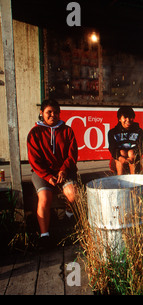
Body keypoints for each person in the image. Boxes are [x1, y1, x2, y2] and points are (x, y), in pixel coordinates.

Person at [27, 99, 78, 249]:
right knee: (44, 197)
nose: (53, 115)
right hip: (42, 173)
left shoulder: (67, 130)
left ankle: (68, 217)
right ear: (41, 113)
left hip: (64, 171)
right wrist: (48, 176)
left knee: (73, 194)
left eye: (56, 112)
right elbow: (34, 160)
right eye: (49, 112)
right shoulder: (35, 132)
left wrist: (64, 169)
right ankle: (44, 236)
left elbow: (72, 154)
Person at [108, 107, 143, 175]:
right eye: (125, 117)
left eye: (130, 117)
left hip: (133, 159)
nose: (128, 120)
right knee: (122, 152)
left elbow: (140, 148)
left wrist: (133, 157)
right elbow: (112, 148)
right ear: (119, 119)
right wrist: (119, 157)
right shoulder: (112, 132)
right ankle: (120, 180)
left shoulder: (139, 131)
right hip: (118, 160)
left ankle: (134, 181)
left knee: (131, 152)